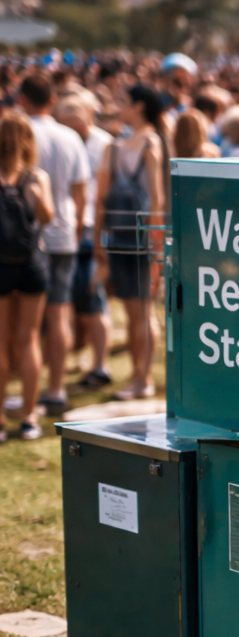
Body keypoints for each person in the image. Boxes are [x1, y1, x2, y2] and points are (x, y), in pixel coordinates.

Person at [18, 71, 90, 413]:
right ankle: (56, 388)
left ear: (21, 99)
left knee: (24, 323)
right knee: (59, 314)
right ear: (52, 100)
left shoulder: (18, 133)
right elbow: (80, 192)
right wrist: (76, 229)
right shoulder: (70, 137)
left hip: (26, 237)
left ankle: (26, 391)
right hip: (63, 233)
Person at [95, 83, 166, 400]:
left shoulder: (128, 144)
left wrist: (99, 236)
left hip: (128, 238)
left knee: (140, 312)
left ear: (138, 106)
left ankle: (143, 378)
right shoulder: (137, 143)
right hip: (133, 237)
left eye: (123, 101)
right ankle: (140, 377)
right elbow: (156, 199)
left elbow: (156, 199)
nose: (118, 107)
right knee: (138, 312)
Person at [0, 112, 55, 440]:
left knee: (1, 343)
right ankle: (29, 417)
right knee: (29, 339)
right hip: (32, 263)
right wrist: (32, 192)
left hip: (1, 265)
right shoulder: (36, 176)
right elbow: (46, 217)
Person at [54, 92, 113, 388]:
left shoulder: (104, 144)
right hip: (71, 229)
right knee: (70, 301)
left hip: (93, 232)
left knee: (94, 297)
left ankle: (101, 365)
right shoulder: (66, 141)